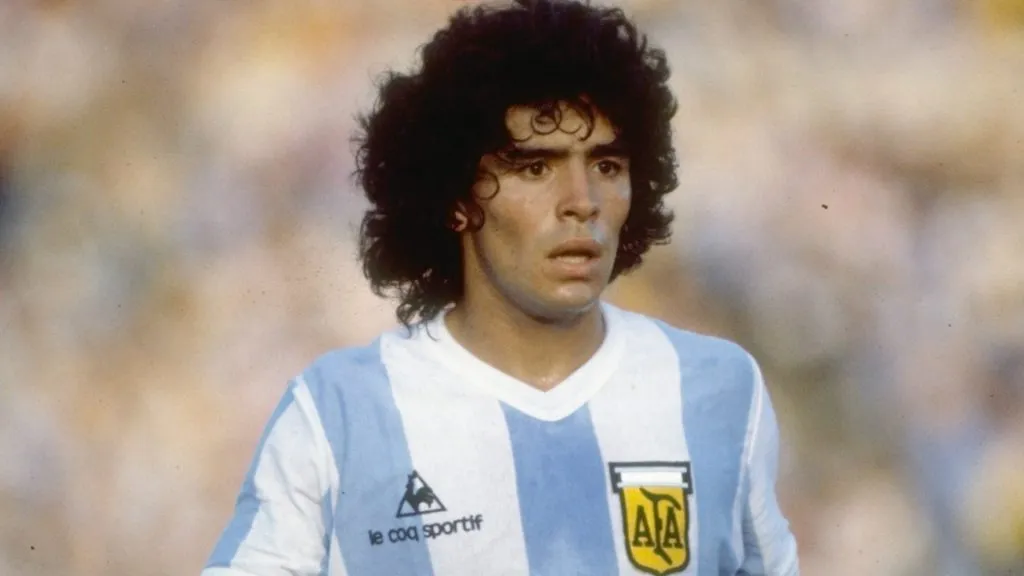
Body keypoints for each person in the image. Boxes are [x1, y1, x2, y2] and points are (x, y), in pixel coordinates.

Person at [201, 0, 800, 574]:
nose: (581, 203)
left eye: (607, 166)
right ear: (457, 199)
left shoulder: (721, 388)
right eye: (535, 168)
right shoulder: (336, 414)